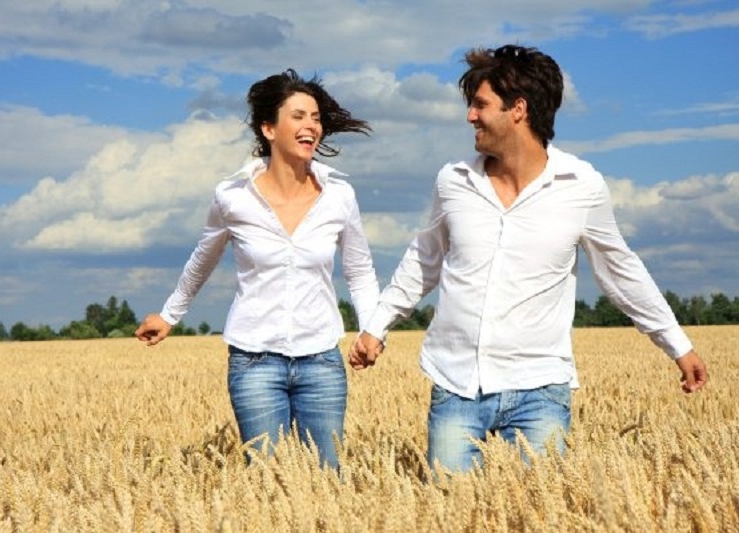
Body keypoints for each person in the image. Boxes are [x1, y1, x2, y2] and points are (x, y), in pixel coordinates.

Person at [350, 44, 708, 472]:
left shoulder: (581, 185)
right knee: (448, 502)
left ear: (518, 109)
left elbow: (621, 272)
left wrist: (677, 345)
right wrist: (377, 325)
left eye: (480, 104)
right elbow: (423, 260)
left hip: (540, 391)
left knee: (538, 504)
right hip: (456, 384)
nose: (470, 116)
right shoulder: (453, 180)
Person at [136, 69, 380, 469]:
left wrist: (372, 328)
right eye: (298, 116)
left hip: (321, 359)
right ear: (269, 129)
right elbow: (203, 259)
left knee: (326, 478)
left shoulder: (340, 195)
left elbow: (360, 270)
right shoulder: (232, 197)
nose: (311, 126)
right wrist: (169, 315)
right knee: (266, 478)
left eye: (316, 118)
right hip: (253, 361)